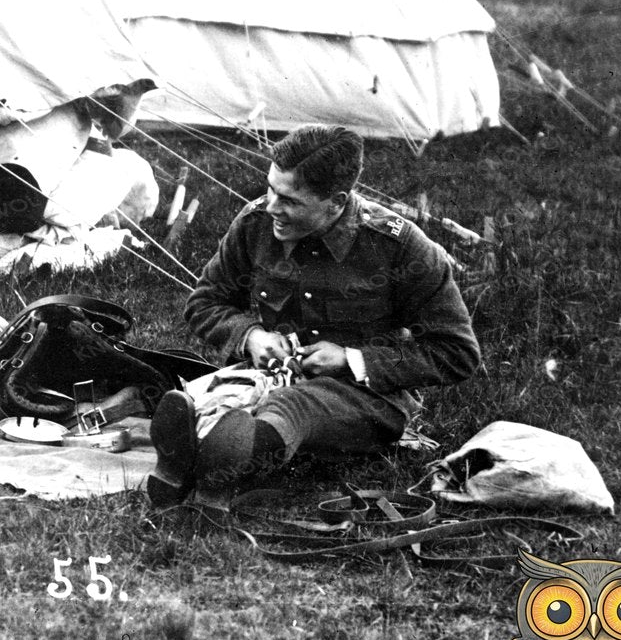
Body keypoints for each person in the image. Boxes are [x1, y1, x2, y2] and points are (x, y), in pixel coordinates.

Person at [149, 124, 481, 507]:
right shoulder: (256, 223)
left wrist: (352, 360)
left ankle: (234, 463)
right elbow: (205, 301)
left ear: (336, 201)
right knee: (209, 399)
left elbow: (457, 353)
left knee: (291, 406)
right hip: (273, 375)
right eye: (270, 189)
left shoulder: (400, 248)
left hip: (368, 399)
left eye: (289, 199)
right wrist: (251, 336)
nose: (272, 206)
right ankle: (210, 457)